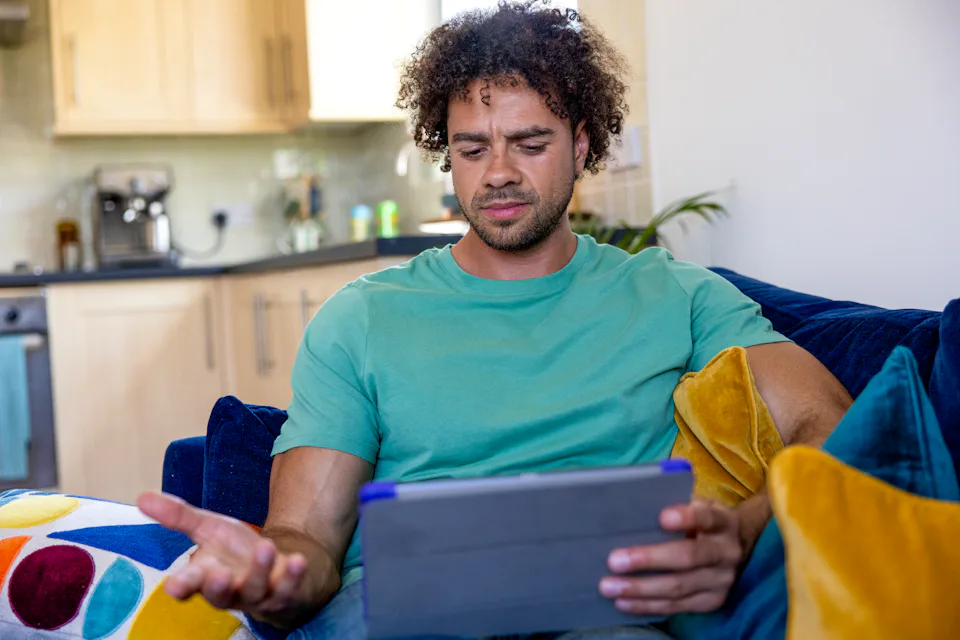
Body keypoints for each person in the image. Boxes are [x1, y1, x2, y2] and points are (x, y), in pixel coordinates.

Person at [138, 2, 852, 638]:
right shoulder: (362, 316)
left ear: (581, 143)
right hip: (398, 617)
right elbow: (307, 541)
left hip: (602, 612)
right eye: (473, 149)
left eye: (530, 144)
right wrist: (274, 575)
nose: (499, 172)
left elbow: (833, 423)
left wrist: (745, 530)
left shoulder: (678, 294)